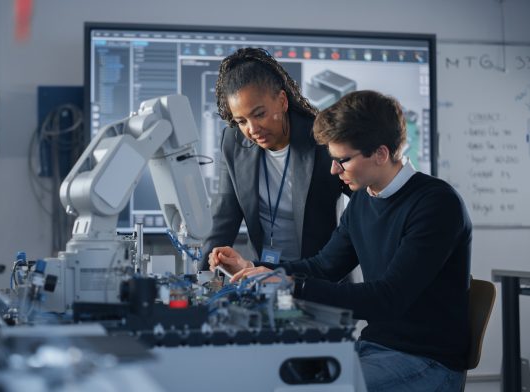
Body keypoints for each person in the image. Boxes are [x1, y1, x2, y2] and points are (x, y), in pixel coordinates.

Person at [209, 90, 472, 391]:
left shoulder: (436, 205)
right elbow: (324, 266)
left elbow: (388, 299)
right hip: (373, 348)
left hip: (427, 361)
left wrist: (293, 285)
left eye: (342, 160)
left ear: (381, 154)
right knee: (269, 378)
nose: (333, 170)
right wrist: (257, 269)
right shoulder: (362, 200)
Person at [200, 47, 346, 270]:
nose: (252, 129)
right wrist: (201, 279)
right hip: (261, 272)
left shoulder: (322, 140)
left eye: (259, 114)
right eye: (241, 121)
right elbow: (223, 219)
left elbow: (366, 205)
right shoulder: (233, 142)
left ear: (282, 101)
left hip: (319, 276)